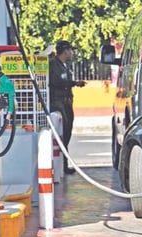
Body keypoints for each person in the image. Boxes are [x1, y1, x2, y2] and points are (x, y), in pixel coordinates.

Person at [49, 40, 86, 174]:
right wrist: (74, 83)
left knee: (67, 132)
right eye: (70, 50)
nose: (72, 53)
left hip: (67, 101)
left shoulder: (64, 65)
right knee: (62, 133)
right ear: (65, 51)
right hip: (58, 102)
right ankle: (61, 167)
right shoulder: (53, 65)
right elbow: (56, 82)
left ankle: (64, 165)